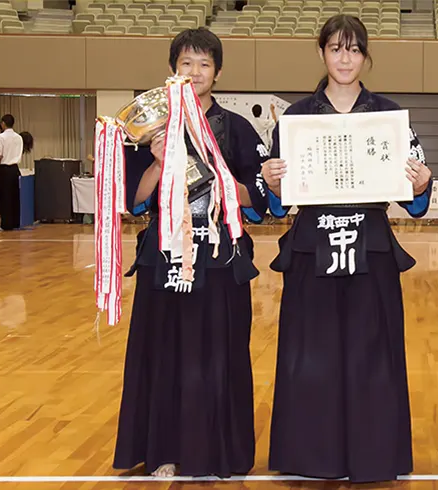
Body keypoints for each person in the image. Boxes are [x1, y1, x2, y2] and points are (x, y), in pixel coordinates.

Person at [260, 14, 433, 483]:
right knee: (309, 355)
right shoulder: (295, 118)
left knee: (372, 355)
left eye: (354, 49)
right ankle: (311, 458)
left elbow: (416, 205)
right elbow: (277, 205)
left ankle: (374, 457)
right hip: (313, 247)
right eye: (336, 48)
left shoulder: (389, 116)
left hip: (371, 249)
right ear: (321, 53)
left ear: (365, 57)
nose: (344, 58)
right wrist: (272, 181)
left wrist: (422, 182)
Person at [113, 27, 269, 480]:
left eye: (204, 64)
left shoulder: (236, 129)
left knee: (221, 355)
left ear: (218, 72)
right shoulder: (150, 129)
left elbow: (257, 202)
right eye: (186, 63)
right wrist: (161, 161)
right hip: (164, 256)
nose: (195, 72)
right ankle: (164, 449)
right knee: (164, 354)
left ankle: (222, 453)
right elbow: (133, 199)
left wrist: (221, 175)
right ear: (172, 71)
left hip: (221, 259)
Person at [0, 114, 33, 231]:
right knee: (15, 196)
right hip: (15, 168)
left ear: (3, 123)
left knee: (4, 196)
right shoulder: (19, 137)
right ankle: (16, 222)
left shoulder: (0, 137)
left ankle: (6, 224)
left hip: (4, 168)